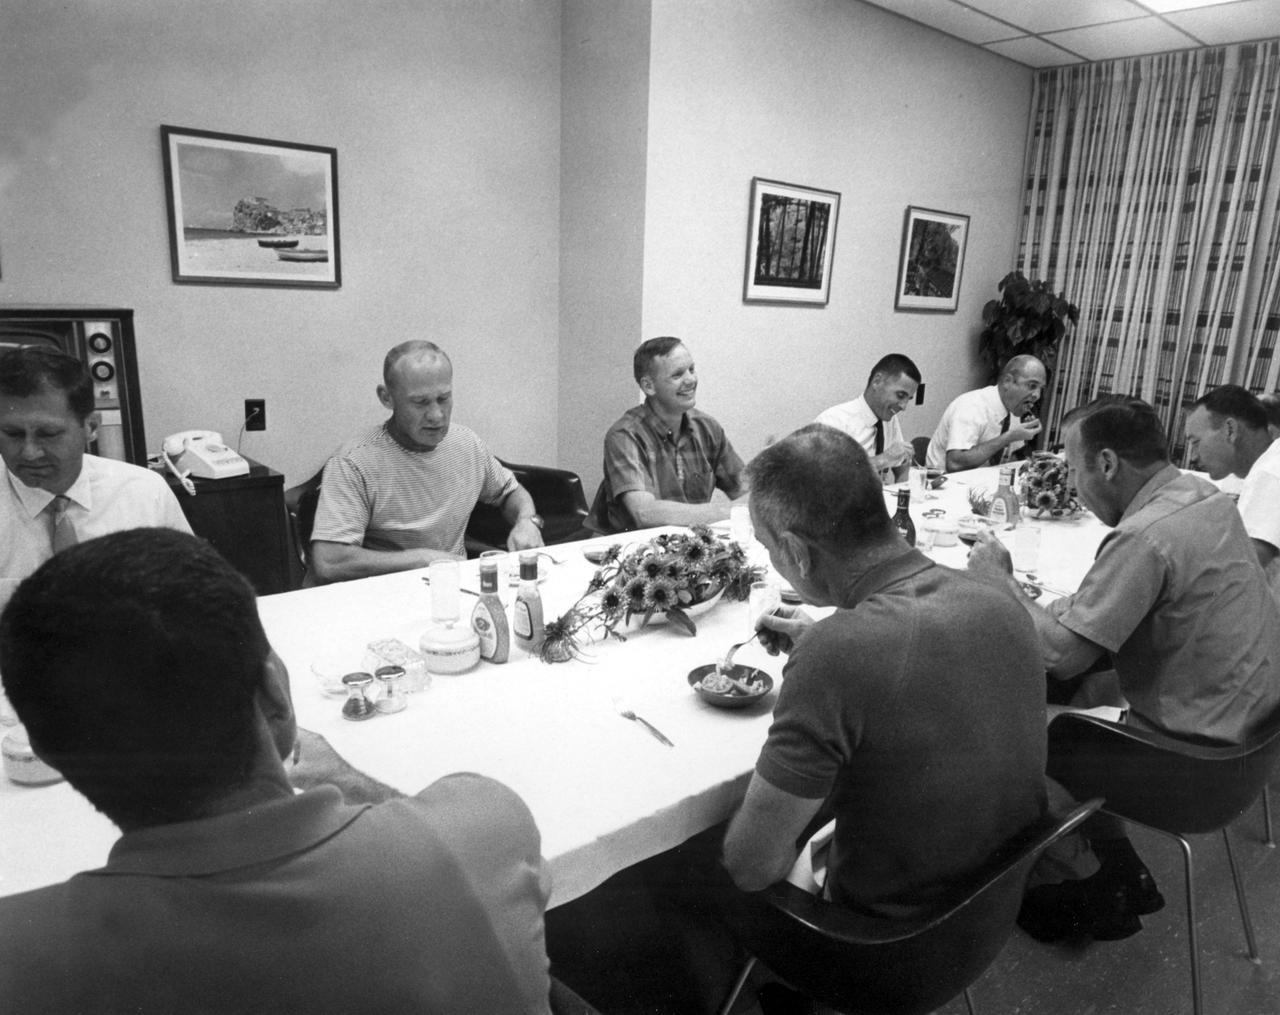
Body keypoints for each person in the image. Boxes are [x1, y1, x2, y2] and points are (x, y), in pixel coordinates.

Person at [0, 528, 556, 1014]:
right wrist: (348, 780)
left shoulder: (23, 956)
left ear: (43, 753)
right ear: (276, 694)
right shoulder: (484, 826)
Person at [969, 395, 1280, 941]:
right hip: (1247, 740)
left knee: (999, 730)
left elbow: (1062, 651)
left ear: (1107, 464)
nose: (1071, 481)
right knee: (1083, 690)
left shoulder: (1144, 536)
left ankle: (1081, 877)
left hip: (1190, 764)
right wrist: (1057, 610)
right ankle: (1120, 865)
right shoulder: (1202, 497)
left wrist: (1003, 584)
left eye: (1071, 466)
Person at [721, 424, 1047, 922]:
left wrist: (827, 654)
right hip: (988, 908)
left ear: (798, 552)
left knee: (706, 860)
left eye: (769, 548)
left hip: (883, 940)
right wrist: (825, 644)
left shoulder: (842, 652)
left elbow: (751, 869)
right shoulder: (997, 598)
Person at [310, 340, 544, 583]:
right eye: (420, 402)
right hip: (380, 593)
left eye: (443, 399)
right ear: (386, 398)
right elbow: (329, 561)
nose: (436, 415)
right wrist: (421, 560)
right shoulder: (354, 462)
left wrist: (527, 520)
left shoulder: (465, 443)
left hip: (451, 586)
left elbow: (510, 493)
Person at [0, 347, 190, 587]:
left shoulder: (145, 492)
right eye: (12, 434)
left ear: (91, 427)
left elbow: (191, 592)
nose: (29, 452)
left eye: (48, 434)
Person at [587, 336, 745, 534]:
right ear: (648, 386)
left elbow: (747, 490)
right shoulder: (625, 435)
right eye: (677, 375)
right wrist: (727, 510)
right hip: (625, 549)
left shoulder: (708, 427)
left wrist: (770, 473)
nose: (691, 380)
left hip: (687, 548)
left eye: (692, 369)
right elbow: (644, 513)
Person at [1184, 385, 1280, 601]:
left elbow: (1237, 573)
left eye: (1195, 442)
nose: (1192, 457)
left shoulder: (1270, 473)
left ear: (1230, 430)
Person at [925, 354, 1047, 472]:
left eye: (1040, 388)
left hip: (981, 484)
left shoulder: (1012, 410)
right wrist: (1009, 437)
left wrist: (1024, 437)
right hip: (944, 486)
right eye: (1032, 386)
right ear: (1007, 381)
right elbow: (955, 463)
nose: (1037, 395)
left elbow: (1010, 460)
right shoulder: (972, 406)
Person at [814, 353, 921, 484]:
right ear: (877, 381)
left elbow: (900, 463)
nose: (904, 407)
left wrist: (903, 488)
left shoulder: (889, 418)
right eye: (900, 395)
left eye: (908, 399)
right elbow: (825, 476)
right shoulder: (834, 421)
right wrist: (883, 460)